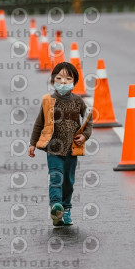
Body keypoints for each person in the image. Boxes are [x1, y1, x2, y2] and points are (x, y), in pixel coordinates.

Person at [28, 62, 92, 226]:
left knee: (68, 181)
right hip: (54, 149)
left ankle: (66, 209)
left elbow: (88, 120)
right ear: (52, 80)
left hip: (72, 150)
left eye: (68, 78)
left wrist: (85, 136)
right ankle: (56, 207)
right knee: (56, 178)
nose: (63, 82)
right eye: (59, 78)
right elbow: (39, 123)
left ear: (74, 82)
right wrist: (32, 143)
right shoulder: (48, 101)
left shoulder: (78, 102)